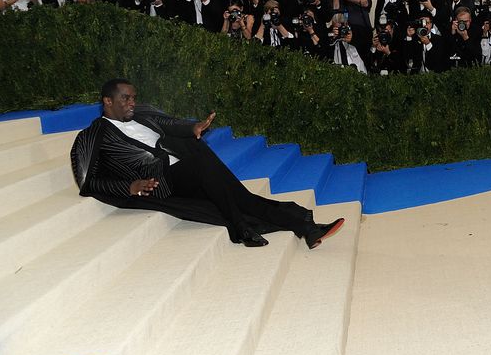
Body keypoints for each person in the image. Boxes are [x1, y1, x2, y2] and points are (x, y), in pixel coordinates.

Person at [71, 79, 344, 248]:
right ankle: (242, 229)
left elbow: (169, 124)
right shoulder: (92, 135)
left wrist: (193, 127)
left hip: (186, 170)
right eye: (125, 98)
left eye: (133, 97)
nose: (132, 102)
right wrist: (129, 187)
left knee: (239, 195)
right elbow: (87, 180)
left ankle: (306, 228)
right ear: (107, 101)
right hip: (161, 181)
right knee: (209, 172)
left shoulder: (141, 114)